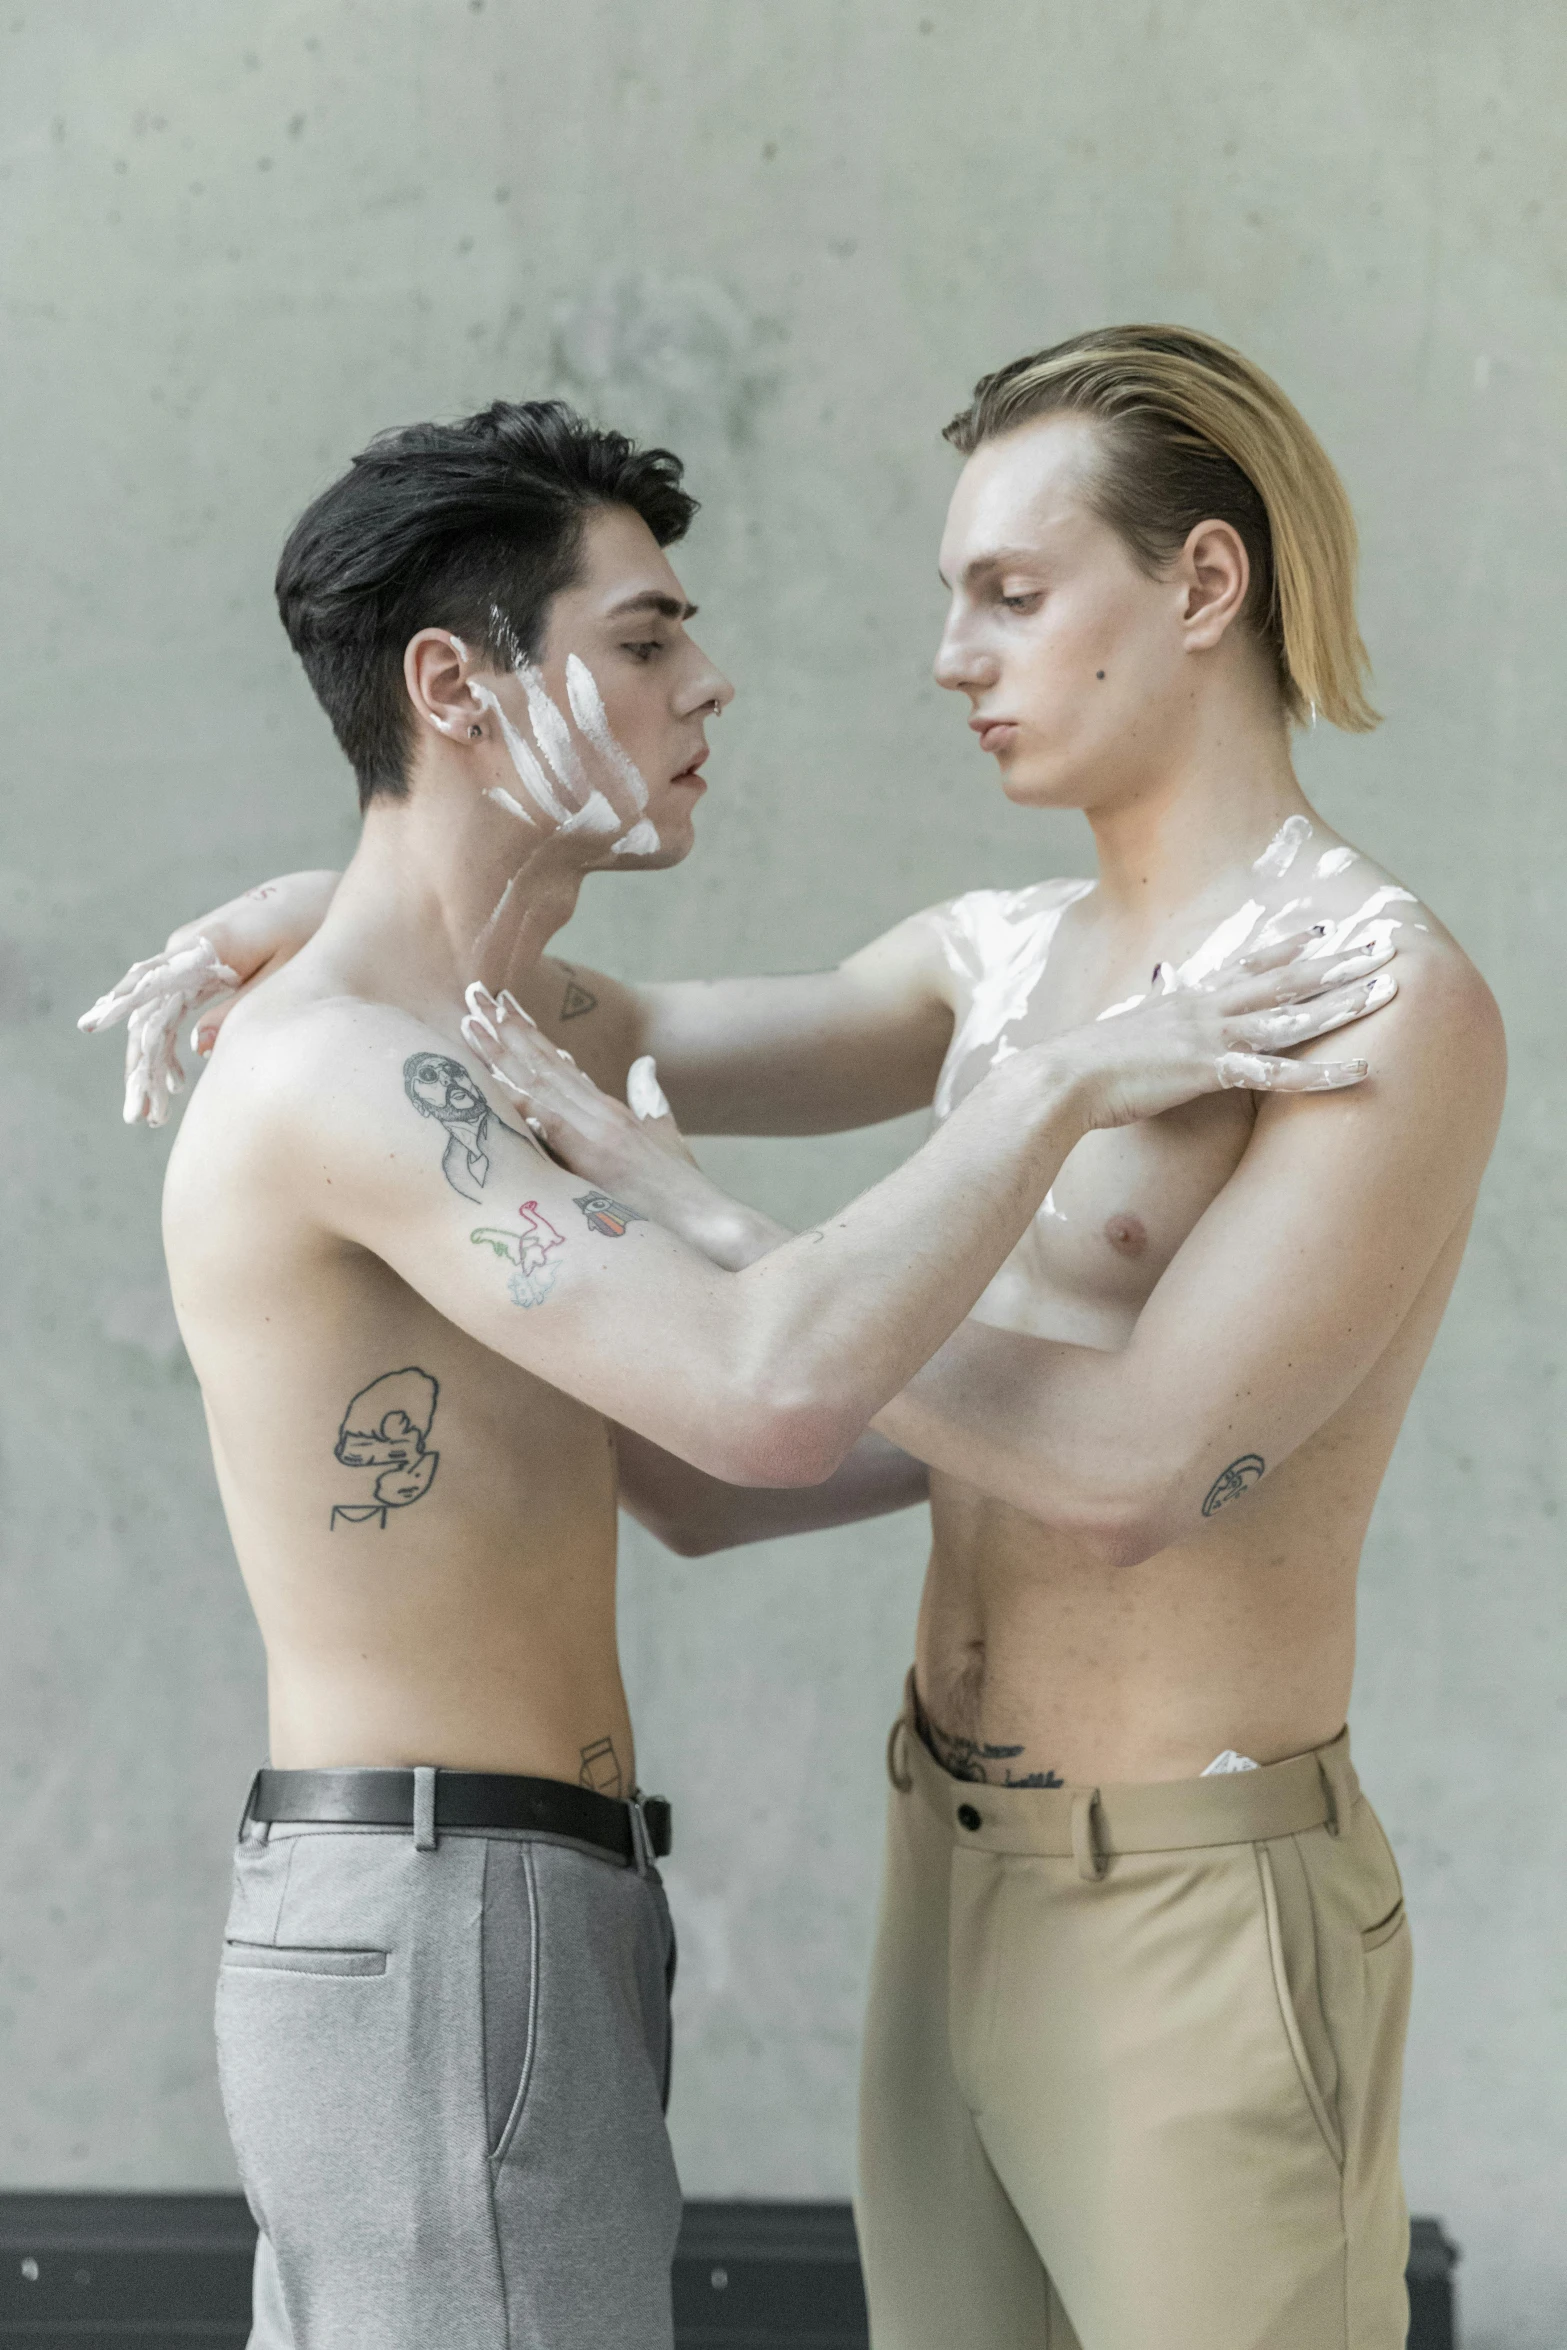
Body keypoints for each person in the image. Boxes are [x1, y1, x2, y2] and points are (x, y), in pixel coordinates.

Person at [79, 385, 1385, 2350]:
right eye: (645, 636)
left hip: (517, 1906)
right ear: (457, 685)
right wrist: (1045, 1093)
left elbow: (701, 1475)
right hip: (451, 1918)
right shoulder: (363, 1073)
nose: (710, 679)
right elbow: (760, 1393)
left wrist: (1169, 1424)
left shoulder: (453, 1041)